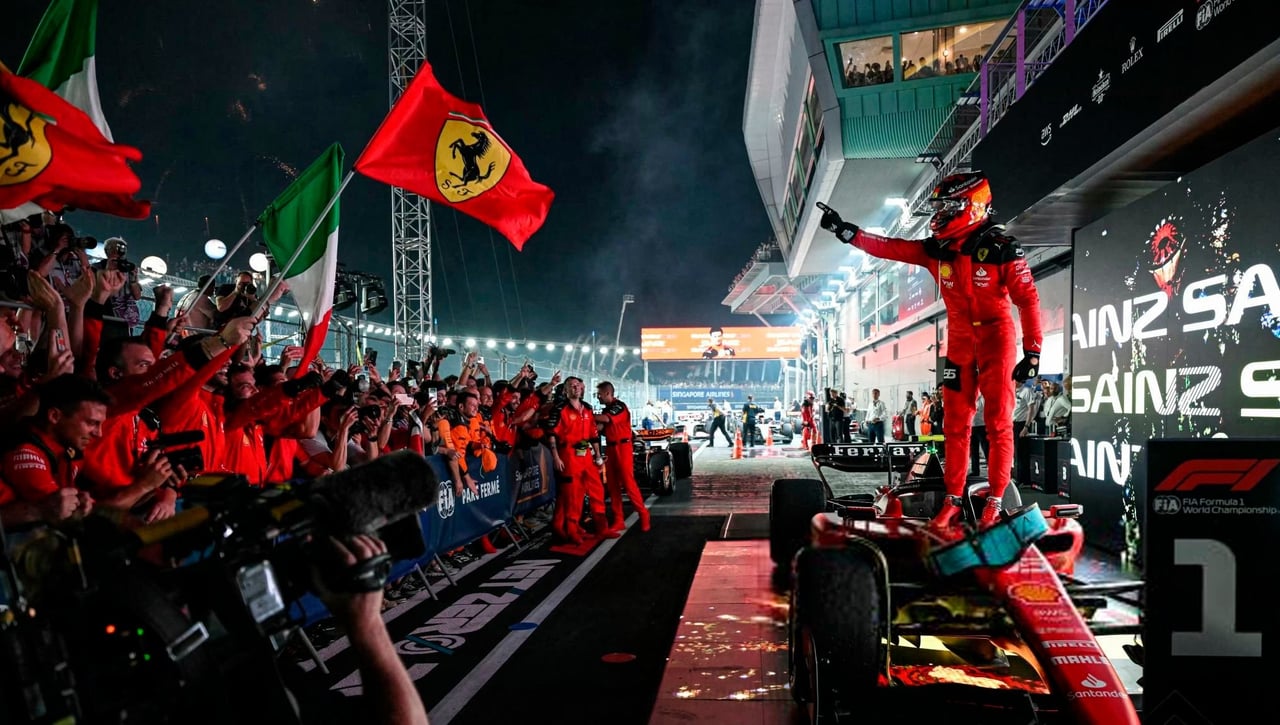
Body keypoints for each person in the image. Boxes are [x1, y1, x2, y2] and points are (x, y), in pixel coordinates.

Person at [819, 170, 1043, 529]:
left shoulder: (1003, 248)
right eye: (939, 206)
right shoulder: (934, 250)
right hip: (958, 341)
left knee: (999, 423)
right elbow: (890, 247)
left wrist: (1032, 351)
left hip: (996, 338)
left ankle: (995, 502)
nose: (940, 213)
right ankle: (953, 499)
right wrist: (849, 233)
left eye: (948, 206)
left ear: (971, 206)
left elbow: (1028, 301)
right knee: (955, 424)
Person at [594, 381, 651, 533]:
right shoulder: (607, 409)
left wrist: (586, 415)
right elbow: (600, 427)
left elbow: (605, 420)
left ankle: (643, 514)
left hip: (623, 447)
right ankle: (618, 520)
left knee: (628, 483)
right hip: (611, 448)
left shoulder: (619, 406)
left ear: (607, 393)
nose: (598, 397)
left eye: (599, 394)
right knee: (612, 486)